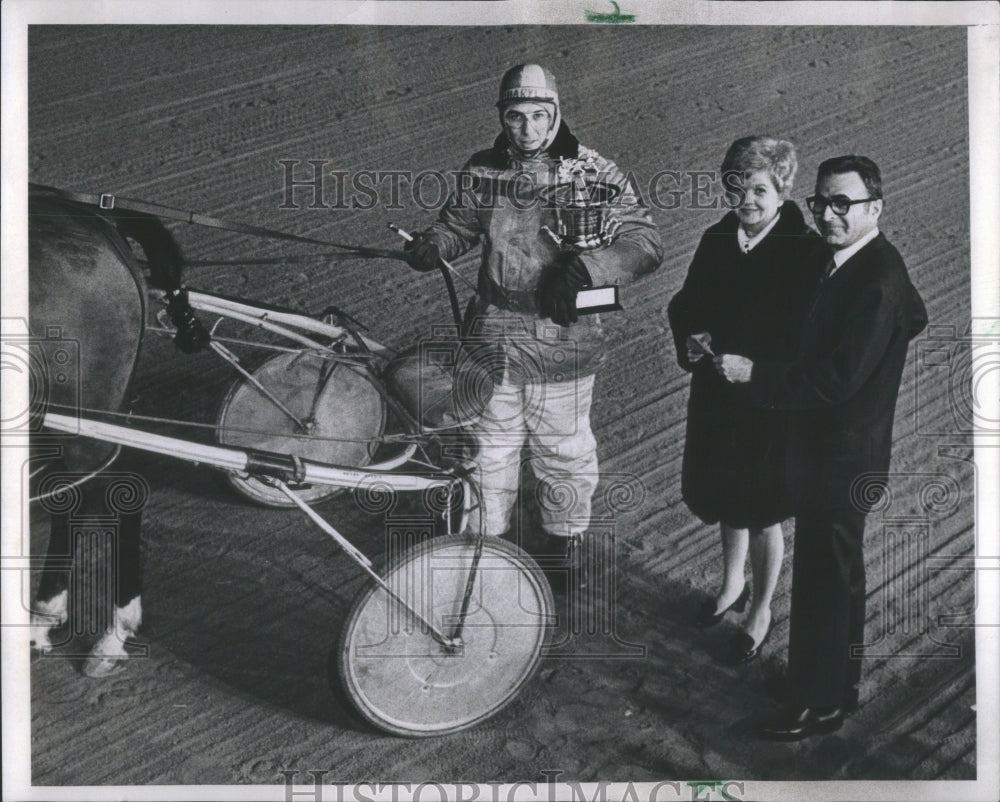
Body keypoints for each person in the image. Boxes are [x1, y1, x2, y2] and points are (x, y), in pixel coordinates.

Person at [404, 64, 663, 586]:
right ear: (502, 116)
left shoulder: (594, 172)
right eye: (515, 117)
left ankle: (563, 543)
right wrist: (434, 244)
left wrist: (589, 269)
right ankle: (485, 545)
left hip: (563, 339)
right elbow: (457, 224)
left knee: (563, 448)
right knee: (487, 448)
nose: (526, 129)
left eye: (538, 116)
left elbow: (645, 243)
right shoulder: (482, 168)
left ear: (556, 114)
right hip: (492, 335)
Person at [714, 155, 928, 739]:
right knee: (839, 576)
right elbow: (918, 314)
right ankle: (838, 685)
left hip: (839, 460)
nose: (829, 215)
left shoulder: (876, 280)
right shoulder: (863, 265)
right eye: (821, 203)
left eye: (843, 204)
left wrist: (756, 374)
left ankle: (816, 705)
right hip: (838, 453)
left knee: (822, 584)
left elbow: (834, 380)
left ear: (875, 208)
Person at [667, 136, 823, 664]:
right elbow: (686, 302)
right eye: (737, 186)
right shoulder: (717, 238)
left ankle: (761, 609)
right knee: (726, 492)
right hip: (716, 394)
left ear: (782, 189)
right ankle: (730, 587)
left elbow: (811, 337)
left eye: (759, 188)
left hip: (768, 402)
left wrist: (756, 371)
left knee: (762, 510)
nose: (747, 199)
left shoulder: (805, 249)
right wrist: (692, 336)